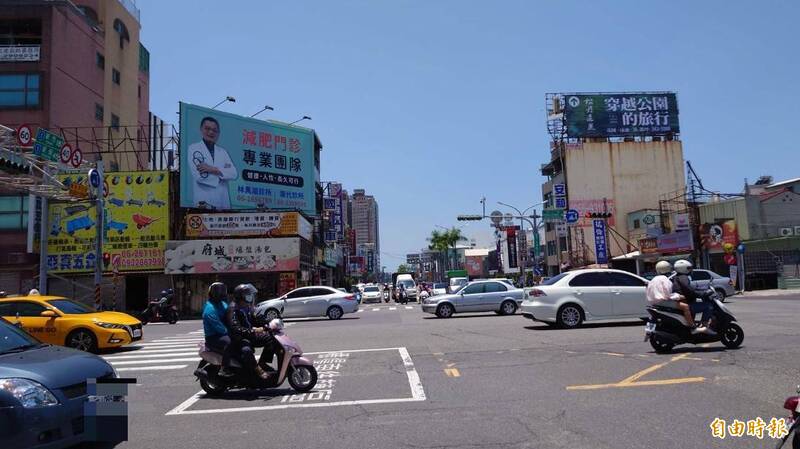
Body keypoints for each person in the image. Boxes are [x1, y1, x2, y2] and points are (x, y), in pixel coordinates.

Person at [226, 284, 275, 380]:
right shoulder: (232, 309)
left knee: (271, 338)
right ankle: (257, 369)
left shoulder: (246, 306)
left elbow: (254, 320)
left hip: (249, 334)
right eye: (248, 294)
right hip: (239, 338)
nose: (251, 297)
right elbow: (235, 328)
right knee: (246, 350)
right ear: (241, 296)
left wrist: (267, 322)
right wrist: (253, 330)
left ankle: (263, 363)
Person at [188, 116, 238, 210]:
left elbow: (234, 173)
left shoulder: (223, 152)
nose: (211, 132)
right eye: (207, 129)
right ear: (201, 129)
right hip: (203, 202)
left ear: (218, 133)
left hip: (223, 202)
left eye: (214, 130)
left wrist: (211, 169)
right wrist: (222, 174)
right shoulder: (193, 148)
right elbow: (199, 176)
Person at [646, 261, 698, 331]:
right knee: (685, 307)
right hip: (663, 301)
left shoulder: (653, 279)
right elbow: (668, 295)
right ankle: (692, 327)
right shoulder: (665, 280)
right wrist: (679, 296)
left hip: (654, 302)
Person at [201, 282, 235, 377]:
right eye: (217, 291)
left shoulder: (222, 304)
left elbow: (231, 315)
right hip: (214, 336)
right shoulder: (209, 309)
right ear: (211, 293)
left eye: (222, 290)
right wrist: (230, 332)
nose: (220, 293)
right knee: (229, 342)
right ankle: (224, 368)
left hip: (223, 332)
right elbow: (219, 327)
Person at [672, 260, 714, 335]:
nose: (691, 270)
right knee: (708, 306)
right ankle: (704, 326)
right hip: (686, 303)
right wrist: (702, 293)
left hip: (683, 301)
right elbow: (689, 290)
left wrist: (702, 291)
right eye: (689, 268)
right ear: (683, 268)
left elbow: (690, 289)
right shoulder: (683, 277)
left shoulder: (677, 277)